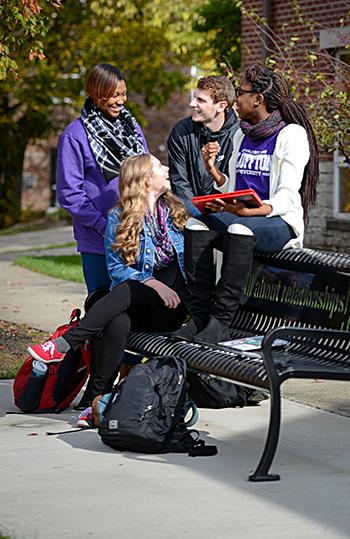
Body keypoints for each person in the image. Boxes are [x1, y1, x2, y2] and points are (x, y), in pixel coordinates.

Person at [28, 153, 197, 425]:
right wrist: (153, 283)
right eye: (159, 166)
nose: (166, 168)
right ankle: (95, 404)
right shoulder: (119, 217)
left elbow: (213, 216)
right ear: (145, 180)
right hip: (141, 305)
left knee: (128, 288)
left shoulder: (179, 212)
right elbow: (116, 269)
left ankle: (64, 344)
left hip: (174, 309)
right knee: (118, 322)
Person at [173, 64, 319, 344]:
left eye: (240, 92)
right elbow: (230, 188)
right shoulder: (242, 134)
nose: (236, 98)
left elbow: (288, 197)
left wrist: (249, 211)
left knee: (239, 228)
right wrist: (212, 169)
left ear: (258, 99)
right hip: (243, 216)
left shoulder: (292, 136)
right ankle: (200, 315)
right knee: (196, 223)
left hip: (278, 222)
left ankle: (221, 323)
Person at [56, 63, 148, 294]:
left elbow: (147, 171)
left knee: (137, 304)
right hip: (98, 238)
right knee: (102, 304)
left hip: (137, 233)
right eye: (114, 95)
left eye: (123, 94)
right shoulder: (74, 136)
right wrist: (105, 227)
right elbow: (70, 195)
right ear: (97, 95)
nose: (121, 101)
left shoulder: (132, 128)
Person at [167, 75, 239, 204]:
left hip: (226, 213)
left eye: (200, 100)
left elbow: (234, 186)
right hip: (189, 212)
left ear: (221, 106)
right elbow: (179, 182)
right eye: (194, 97)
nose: (192, 103)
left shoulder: (240, 136)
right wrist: (195, 213)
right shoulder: (181, 131)